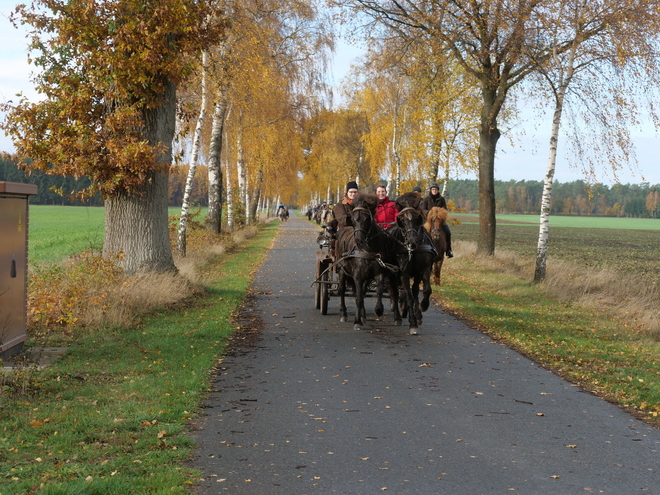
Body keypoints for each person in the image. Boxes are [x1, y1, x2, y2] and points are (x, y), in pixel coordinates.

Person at [421, 182, 453, 258]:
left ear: (438, 190)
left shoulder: (441, 199)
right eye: (433, 189)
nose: (434, 191)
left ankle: (448, 250)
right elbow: (423, 209)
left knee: (448, 232)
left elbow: (444, 210)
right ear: (430, 190)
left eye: (435, 189)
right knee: (422, 232)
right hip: (429, 220)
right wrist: (430, 213)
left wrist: (439, 214)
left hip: (439, 220)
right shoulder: (426, 199)